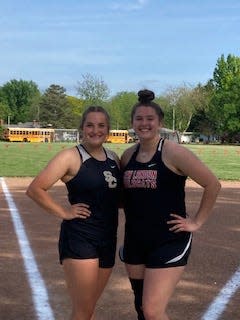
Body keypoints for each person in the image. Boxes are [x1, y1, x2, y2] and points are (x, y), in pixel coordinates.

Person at [119, 89, 221, 320]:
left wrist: (195, 222)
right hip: (135, 239)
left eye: (150, 119)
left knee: (153, 311)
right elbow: (126, 198)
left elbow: (212, 184)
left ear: (160, 122)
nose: (144, 124)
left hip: (169, 239)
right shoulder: (127, 156)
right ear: (132, 122)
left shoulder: (174, 152)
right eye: (139, 119)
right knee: (141, 307)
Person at [26, 106, 121, 320]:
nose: (95, 130)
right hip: (80, 237)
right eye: (90, 125)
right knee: (83, 310)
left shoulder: (114, 158)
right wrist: (64, 212)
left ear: (108, 130)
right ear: (82, 128)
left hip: (107, 237)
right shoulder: (71, 156)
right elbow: (35, 189)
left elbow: (117, 198)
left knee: (89, 307)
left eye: (101, 125)